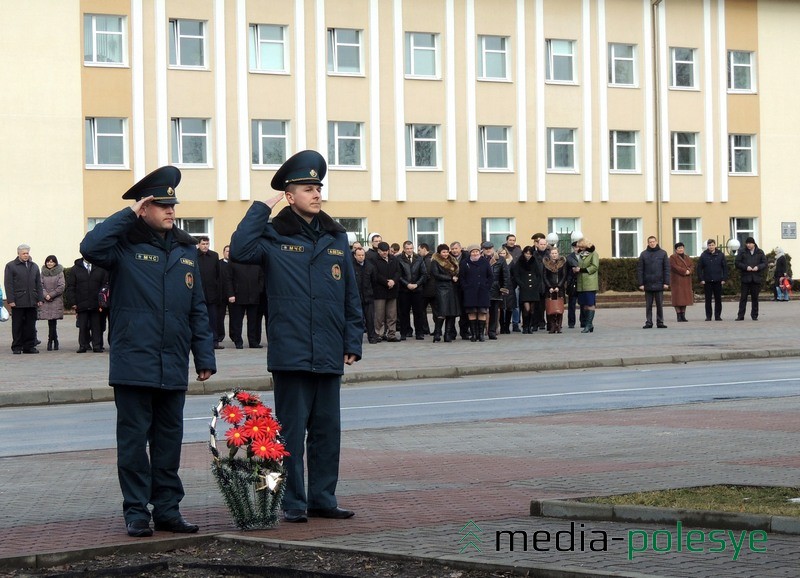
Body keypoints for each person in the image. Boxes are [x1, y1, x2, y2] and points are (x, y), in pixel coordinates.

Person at [79, 165, 216, 537]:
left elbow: (197, 308)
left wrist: (204, 356)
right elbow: (89, 246)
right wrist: (127, 214)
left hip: (172, 362)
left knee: (169, 442)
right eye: (162, 205)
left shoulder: (187, 250)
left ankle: (168, 509)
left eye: (173, 204)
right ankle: (136, 511)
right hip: (133, 362)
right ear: (144, 209)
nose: (171, 210)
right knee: (134, 445)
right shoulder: (122, 247)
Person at [229, 150, 362, 524]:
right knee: (287, 434)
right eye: (308, 188)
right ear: (289, 196)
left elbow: (351, 293)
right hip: (291, 351)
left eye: (318, 187)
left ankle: (323, 498)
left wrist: (353, 341)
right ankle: (291, 502)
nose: (317, 193)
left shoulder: (336, 236)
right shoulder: (272, 235)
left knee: (326, 433)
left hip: (329, 350)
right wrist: (261, 208)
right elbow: (240, 249)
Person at [4, 244, 44, 354]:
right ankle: (17, 346)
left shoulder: (34, 266)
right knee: (17, 325)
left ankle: (29, 346)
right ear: (18, 254)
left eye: (27, 253)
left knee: (30, 325)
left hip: (32, 301)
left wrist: (40, 298)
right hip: (18, 301)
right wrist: (10, 300)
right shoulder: (11, 266)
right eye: (24, 253)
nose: (26, 255)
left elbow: (38, 284)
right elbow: (8, 284)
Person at [66, 257, 109, 353]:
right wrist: (73, 302)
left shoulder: (100, 268)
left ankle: (97, 345)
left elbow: (105, 285)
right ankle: (83, 345)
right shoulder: (75, 269)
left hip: (96, 303)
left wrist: (103, 301)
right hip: (81, 302)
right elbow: (70, 287)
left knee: (96, 326)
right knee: (83, 326)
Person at [225, 261, 264, 348]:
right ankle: (238, 341)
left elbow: (261, 277)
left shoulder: (256, 263)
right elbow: (228, 279)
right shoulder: (233, 263)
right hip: (238, 296)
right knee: (237, 321)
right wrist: (231, 294)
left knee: (253, 321)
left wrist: (258, 290)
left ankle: (253, 341)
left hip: (254, 296)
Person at [459, 244, 493, 342]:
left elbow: (490, 276)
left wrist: (487, 286)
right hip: (470, 292)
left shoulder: (485, 262)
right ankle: (474, 334)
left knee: (482, 312)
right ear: (470, 253)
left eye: (477, 251)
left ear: (480, 252)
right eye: (473, 252)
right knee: (472, 312)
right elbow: (462, 277)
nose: (475, 253)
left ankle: (481, 334)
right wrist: (466, 287)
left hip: (483, 291)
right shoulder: (465, 262)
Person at [636, 236, 670, 329]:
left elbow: (666, 269)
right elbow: (640, 270)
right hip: (647, 284)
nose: (652, 243)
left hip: (659, 283)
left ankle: (660, 322)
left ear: (656, 242)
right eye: (650, 242)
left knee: (659, 304)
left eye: (653, 241)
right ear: (648, 243)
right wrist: (641, 283)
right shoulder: (643, 254)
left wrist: (666, 282)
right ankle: (649, 322)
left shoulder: (663, 253)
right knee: (648, 305)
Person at [429, 243, 460, 342]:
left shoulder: (452, 260)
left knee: (452, 313)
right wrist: (450, 278)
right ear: (439, 253)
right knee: (442, 312)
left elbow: (457, 272)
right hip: (441, 288)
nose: (446, 254)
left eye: (447, 251)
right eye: (443, 252)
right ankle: (437, 333)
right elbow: (436, 274)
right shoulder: (435, 262)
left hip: (452, 289)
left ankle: (447, 334)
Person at [396, 241, 427, 340]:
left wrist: (417, 284)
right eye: (407, 248)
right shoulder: (399, 259)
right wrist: (407, 284)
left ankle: (419, 333)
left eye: (411, 248)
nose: (409, 250)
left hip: (417, 290)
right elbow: (398, 275)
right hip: (404, 290)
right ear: (404, 249)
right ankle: (404, 333)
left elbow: (424, 274)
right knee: (404, 313)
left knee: (418, 312)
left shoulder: (419, 258)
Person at [197, 236, 224, 349]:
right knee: (198, 320)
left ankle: (214, 341)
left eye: (207, 244)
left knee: (213, 319)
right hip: (198, 295)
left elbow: (218, 275)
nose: (205, 246)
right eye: (203, 244)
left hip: (212, 294)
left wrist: (218, 292)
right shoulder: (193, 256)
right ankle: (199, 342)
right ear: (198, 244)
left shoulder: (214, 256)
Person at [372, 241, 401, 342]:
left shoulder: (394, 259)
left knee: (392, 314)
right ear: (378, 251)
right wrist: (386, 282)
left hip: (392, 290)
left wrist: (393, 281)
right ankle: (378, 334)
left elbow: (398, 272)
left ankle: (391, 334)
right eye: (383, 251)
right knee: (379, 315)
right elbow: (375, 274)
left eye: (386, 251)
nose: (385, 253)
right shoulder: (374, 260)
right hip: (380, 291)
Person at [735, 236, 767, 321]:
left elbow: (764, 263)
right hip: (745, 278)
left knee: (755, 298)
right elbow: (737, 263)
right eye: (747, 243)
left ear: (754, 243)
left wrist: (758, 267)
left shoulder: (760, 252)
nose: (748, 245)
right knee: (743, 297)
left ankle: (754, 315)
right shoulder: (742, 251)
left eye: (750, 243)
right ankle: (740, 316)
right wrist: (746, 267)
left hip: (756, 278)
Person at [696, 239, 728, 321]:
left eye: (712, 245)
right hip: (707, 280)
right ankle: (708, 316)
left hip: (718, 280)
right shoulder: (703, 255)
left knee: (718, 299)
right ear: (707, 246)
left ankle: (718, 316)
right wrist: (701, 279)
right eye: (709, 245)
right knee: (708, 300)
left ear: (715, 245)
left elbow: (725, 267)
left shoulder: (720, 255)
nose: (711, 247)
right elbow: (699, 268)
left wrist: (724, 278)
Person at [511, 246, 541, 334]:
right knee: (526, 309)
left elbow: (539, 274)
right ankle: (525, 326)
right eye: (526, 253)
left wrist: (537, 284)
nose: (528, 255)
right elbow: (516, 275)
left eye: (530, 254)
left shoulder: (534, 261)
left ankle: (529, 326)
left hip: (533, 289)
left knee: (532, 309)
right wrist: (521, 284)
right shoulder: (520, 262)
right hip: (524, 288)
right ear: (523, 253)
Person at [38, 255, 65, 350]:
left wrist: (51, 295)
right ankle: (52, 340)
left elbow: (61, 286)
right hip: (46, 300)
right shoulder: (42, 273)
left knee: (54, 321)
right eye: (48, 261)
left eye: (52, 262)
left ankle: (53, 340)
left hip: (56, 300)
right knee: (50, 322)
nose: (49, 263)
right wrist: (46, 295)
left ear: (55, 263)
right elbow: (40, 285)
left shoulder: (60, 273)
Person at [484, 242, 510, 339]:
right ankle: (481, 330)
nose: (488, 250)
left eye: (490, 248)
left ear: (493, 248)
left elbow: (505, 275)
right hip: (483, 288)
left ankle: (492, 331)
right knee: (482, 311)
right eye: (486, 248)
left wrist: (504, 288)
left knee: (494, 312)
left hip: (495, 288)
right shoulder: (480, 259)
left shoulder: (500, 259)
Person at [352, 247, 377, 343]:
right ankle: (356, 339)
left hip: (368, 297)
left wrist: (371, 293)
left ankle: (372, 337)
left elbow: (374, 281)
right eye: (359, 255)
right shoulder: (351, 267)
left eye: (362, 255)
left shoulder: (370, 266)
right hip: (356, 298)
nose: (361, 257)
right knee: (357, 319)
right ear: (355, 256)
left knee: (370, 319)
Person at [575, 239, 599, 333]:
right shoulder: (582, 254)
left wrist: (581, 270)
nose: (579, 248)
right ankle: (589, 324)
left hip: (590, 283)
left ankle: (588, 324)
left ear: (585, 246)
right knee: (584, 304)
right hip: (581, 283)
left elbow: (595, 267)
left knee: (590, 304)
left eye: (581, 247)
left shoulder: (594, 254)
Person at [543, 246, 567, 333]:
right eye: (552, 253)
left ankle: (559, 326)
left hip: (559, 288)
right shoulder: (546, 264)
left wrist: (559, 286)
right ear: (550, 254)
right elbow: (544, 276)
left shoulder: (562, 263)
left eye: (555, 253)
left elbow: (564, 276)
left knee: (559, 307)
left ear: (558, 254)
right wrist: (549, 287)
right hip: (549, 288)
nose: (554, 255)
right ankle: (552, 325)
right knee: (550, 307)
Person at [501, 234, 522, 332]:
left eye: (514, 240)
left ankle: (515, 323)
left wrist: (515, 283)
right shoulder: (502, 250)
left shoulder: (518, 251)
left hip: (514, 283)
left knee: (515, 305)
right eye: (510, 240)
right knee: (503, 305)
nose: (512, 242)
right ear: (507, 240)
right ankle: (504, 325)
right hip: (503, 284)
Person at [669, 242, 695, 322]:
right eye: (679, 248)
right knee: (677, 298)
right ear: (676, 250)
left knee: (684, 298)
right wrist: (684, 271)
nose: (681, 249)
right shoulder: (672, 257)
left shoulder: (687, 257)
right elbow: (674, 267)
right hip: (677, 281)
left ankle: (683, 315)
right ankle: (678, 315)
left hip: (686, 281)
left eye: (682, 248)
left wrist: (689, 271)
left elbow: (692, 265)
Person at [496, 248, 516, 334]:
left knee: (509, 307)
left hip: (510, 287)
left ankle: (507, 326)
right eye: (500, 253)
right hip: (499, 287)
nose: (502, 255)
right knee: (501, 307)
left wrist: (513, 285)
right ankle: (502, 326)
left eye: (504, 253)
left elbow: (514, 274)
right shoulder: (496, 262)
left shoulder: (511, 262)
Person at [216, 245, 231, 342]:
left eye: (230, 251)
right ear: (223, 252)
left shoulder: (235, 264)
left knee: (234, 318)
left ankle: (234, 335)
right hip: (221, 295)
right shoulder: (218, 264)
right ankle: (220, 335)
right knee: (219, 317)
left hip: (232, 295)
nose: (228, 253)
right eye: (227, 251)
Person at [565, 241, 581, 328]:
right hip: (572, 282)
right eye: (575, 247)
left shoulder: (584, 256)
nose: (577, 249)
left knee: (583, 303)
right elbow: (566, 271)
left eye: (578, 247)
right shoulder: (569, 258)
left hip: (582, 282)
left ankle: (583, 321)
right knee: (572, 304)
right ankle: (571, 322)